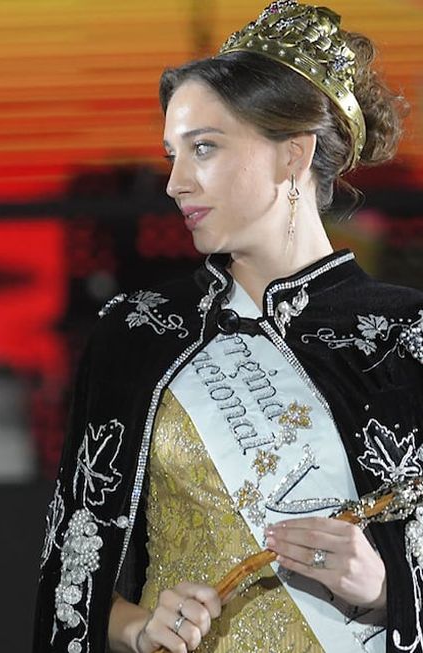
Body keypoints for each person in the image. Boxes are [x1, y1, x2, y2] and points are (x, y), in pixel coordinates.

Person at [34, 2, 423, 652]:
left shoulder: (405, 338)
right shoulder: (135, 332)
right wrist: (138, 624)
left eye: (204, 149)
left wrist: (387, 585)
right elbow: (71, 574)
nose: (175, 183)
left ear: (290, 155)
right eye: (171, 155)